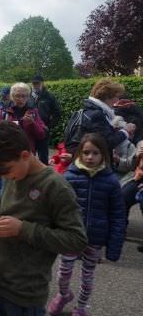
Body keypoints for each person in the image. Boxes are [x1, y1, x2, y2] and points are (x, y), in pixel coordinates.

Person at [0, 121, 87, 316]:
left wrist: (23, 229)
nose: (4, 177)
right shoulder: (13, 173)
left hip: (22, 293)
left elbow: (77, 241)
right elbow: (4, 208)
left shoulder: (56, 187)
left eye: (6, 171)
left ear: (25, 155)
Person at [47, 133, 126, 316]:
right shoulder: (69, 177)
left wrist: (114, 246)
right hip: (71, 236)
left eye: (95, 153)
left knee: (87, 277)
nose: (90, 157)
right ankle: (64, 295)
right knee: (63, 273)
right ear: (79, 154)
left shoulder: (111, 182)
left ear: (104, 155)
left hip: (95, 238)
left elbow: (118, 216)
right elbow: (58, 208)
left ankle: (81, 306)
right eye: (86, 152)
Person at [64, 78, 135, 156]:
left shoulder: (86, 111)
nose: (117, 100)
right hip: (91, 164)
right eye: (116, 96)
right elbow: (106, 143)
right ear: (107, 97)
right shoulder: (97, 115)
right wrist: (125, 131)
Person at [0, 82, 46, 153]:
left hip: (27, 153)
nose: (21, 99)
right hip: (8, 152)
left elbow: (41, 135)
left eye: (24, 96)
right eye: (17, 96)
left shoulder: (33, 111)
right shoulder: (3, 111)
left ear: (28, 97)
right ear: (12, 96)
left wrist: (32, 123)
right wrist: (10, 126)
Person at [30, 75, 62, 165]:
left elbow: (57, 113)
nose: (35, 85)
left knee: (43, 158)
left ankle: (44, 178)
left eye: (37, 83)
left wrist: (49, 126)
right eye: (34, 83)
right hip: (29, 131)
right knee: (29, 157)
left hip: (43, 132)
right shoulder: (27, 96)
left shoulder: (49, 96)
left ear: (42, 83)